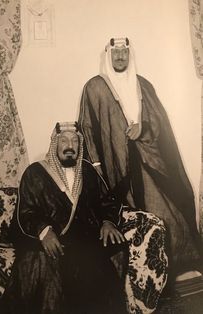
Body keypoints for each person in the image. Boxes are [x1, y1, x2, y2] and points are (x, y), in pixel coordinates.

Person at [0, 122, 167, 314]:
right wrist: (44, 230)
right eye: (64, 141)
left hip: (84, 238)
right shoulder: (34, 173)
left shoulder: (87, 171)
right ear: (54, 144)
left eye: (74, 141)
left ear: (79, 146)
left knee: (115, 248)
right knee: (43, 262)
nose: (69, 146)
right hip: (52, 238)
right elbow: (26, 212)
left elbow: (106, 201)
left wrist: (108, 222)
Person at [78, 37, 203, 287]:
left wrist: (142, 128)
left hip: (148, 162)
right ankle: (139, 280)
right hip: (115, 169)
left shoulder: (143, 85)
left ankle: (174, 268)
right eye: (116, 53)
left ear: (130, 55)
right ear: (108, 56)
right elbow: (88, 128)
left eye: (125, 52)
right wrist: (97, 167)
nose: (121, 57)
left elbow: (160, 123)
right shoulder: (94, 87)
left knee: (168, 211)